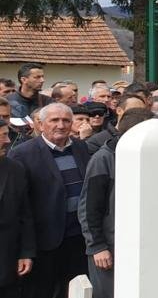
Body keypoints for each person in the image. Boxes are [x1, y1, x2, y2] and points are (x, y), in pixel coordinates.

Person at [8, 103, 90, 298]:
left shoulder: (81, 147)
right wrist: (25, 249)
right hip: (43, 243)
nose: (61, 125)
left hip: (78, 239)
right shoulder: (22, 154)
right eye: (54, 120)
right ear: (40, 124)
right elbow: (19, 205)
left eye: (66, 120)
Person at [77, 108, 155, 298]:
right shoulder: (103, 159)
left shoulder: (148, 155)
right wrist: (97, 246)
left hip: (141, 245)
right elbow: (89, 207)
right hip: (109, 247)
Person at [0, 117, 35, 298]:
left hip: (6, 263)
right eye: (2, 136)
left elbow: (25, 215)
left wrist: (26, 252)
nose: (7, 141)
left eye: (7, 135)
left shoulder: (15, 169)